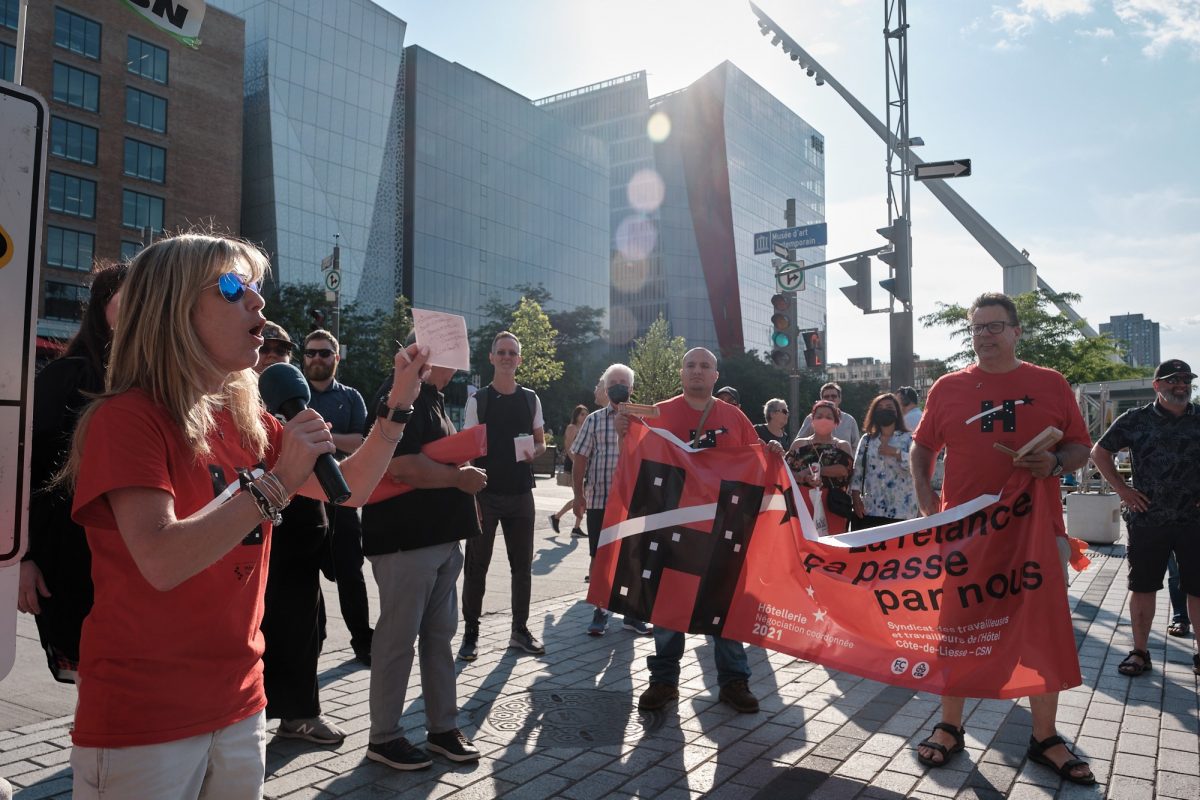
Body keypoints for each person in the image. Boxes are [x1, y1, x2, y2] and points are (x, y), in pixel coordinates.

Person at [60, 232, 428, 798]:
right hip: (146, 715)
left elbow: (347, 489)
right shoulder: (128, 419)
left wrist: (397, 407)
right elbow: (161, 557)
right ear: (172, 309)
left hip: (239, 700)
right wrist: (277, 482)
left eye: (256, 286)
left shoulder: (247, 415)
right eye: (232, 287)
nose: (256, 300)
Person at [910, 292, 1094, 785]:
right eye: (977, 328)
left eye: (994, 326)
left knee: (1041, 630)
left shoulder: (1049, 383)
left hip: (1037, 532)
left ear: (1016, 331)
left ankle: (1045, 737)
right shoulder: (948, 387)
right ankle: (950, 726)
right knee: (958, 628)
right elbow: (922, 447)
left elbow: (1080, 445)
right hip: (967, 535)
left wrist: (1055, 462)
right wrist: (929, 508)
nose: (985, 335)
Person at [632, 347, 781, 715]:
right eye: (691, 365)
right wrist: (623, 430)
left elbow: (756, 462)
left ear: (716, 375)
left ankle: (734, 681)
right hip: (673, 527)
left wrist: (773, 451)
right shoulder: (657, 414)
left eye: (705, 366)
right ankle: (664, 681)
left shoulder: (734, 417)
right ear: (681, 372)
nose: (697, 371)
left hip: (722, 530)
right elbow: (634, 459)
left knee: (725, 607)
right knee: (667, 608)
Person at [361, 353, 488, 771]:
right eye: (453, 355)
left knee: (438, 639)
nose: (459, 364)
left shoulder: (430, 396)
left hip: (438, 540)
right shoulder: (400, 393)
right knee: (398, 641)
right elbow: (401, 466)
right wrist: (458, 477)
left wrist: (457, 467)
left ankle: (442, 728)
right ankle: (384, 737)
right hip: (407, 541)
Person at [18, 263, 126, 684]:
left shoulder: (153, 382)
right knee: (100, 696)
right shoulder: (69, 375)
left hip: (134, 565)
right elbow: (25, 471)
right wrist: (21, 558)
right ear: (102, 307)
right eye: (129, 299)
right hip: (72, 564)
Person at [253, 322, 344, 746]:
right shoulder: (238, 405)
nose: (273, 353)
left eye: (281, 347)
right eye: (265, 345)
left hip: (305, 540)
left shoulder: (299, 405)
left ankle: (299, 716)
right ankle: (255, 723)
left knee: (310, 633)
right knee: (266, 636)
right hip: (259, 544)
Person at [1091, 358, 1200, 677]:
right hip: (1147, 519)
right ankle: (1140, 652)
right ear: (1157, 385)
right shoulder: (1135, 420)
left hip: (1193, 521)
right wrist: (1123, 490)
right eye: (1172, 380)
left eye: (1186, 380)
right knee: (1143, 587)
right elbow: (1099, 451)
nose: (1180, 385)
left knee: (1197, 589)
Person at [460, 331, 547, 660]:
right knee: (476, 567)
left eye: (513, 352)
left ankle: (519, 631)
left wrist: (534, 452)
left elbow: (540, 441)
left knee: (522, 567)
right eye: (502, 352)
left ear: (519, 360)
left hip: (522, 493)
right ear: (492, 357)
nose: (508, 357)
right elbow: (468, 447)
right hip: (485, 494)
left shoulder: (530, 399)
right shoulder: (478, 400)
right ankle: (470, 633)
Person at [303, 329, 373, 666]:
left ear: (336, 357)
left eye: (324, 353)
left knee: (350, 575)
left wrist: (323, 434)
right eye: (311, 353)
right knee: (303, 579)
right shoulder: (292, 394)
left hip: (341, 499)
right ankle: (311, 647)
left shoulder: (351, 397)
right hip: (299, 502)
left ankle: (363, 641)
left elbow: (360, 441)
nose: (316, 358)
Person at [570, 363, 651, 637]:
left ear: (631, 388)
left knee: (634, 557)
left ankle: (632, 613)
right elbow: (580, 458)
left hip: (634, 502)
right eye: (613, 382)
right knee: (600, 556)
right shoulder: (593, 420)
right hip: (600, 499)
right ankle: (601, 610)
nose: (618, 386)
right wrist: (578, 494)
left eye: (623, 382)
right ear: (606, 389)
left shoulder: (645, 418)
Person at [850, 392, 919, 527]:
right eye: (880, 407)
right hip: (871, 509)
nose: (884, 409)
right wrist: (855, 497)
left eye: (889, 406)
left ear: (897, 412)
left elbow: (918, 468)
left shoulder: (910, 439)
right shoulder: (867, 440)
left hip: (903, 511)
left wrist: (897, 453)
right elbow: (857, 471)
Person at [787, 400, 856, 534]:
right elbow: (786, 473)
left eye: (829, 417)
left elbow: (844, 470)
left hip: (833, 503)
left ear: (836, 423)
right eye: (819, 416)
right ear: (812, 421)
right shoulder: (798, 445)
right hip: (803, 502)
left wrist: (813, 470)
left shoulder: (842, 445)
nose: (823, 420)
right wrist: (805, 478)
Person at [549, 404, 588, 537]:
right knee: (580, 496)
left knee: (583, 497)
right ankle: (559, 518)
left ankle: (571, 525)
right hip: (574, 464)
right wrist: (576, 462)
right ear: (576, 415)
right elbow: (568, 446)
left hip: (583, 464)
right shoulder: (572, 428)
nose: (585, 416)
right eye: (582, 414)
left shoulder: (585, 428)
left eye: (586, 414)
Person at [796, 382, 860, 448]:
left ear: (840, 399)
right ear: (821, 400)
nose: (830, 399)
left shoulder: (849, 420)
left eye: (834, 396)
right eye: (826, 397)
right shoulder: (811, 418)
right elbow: (799, 443)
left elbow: (856, 446)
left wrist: (847, 456)